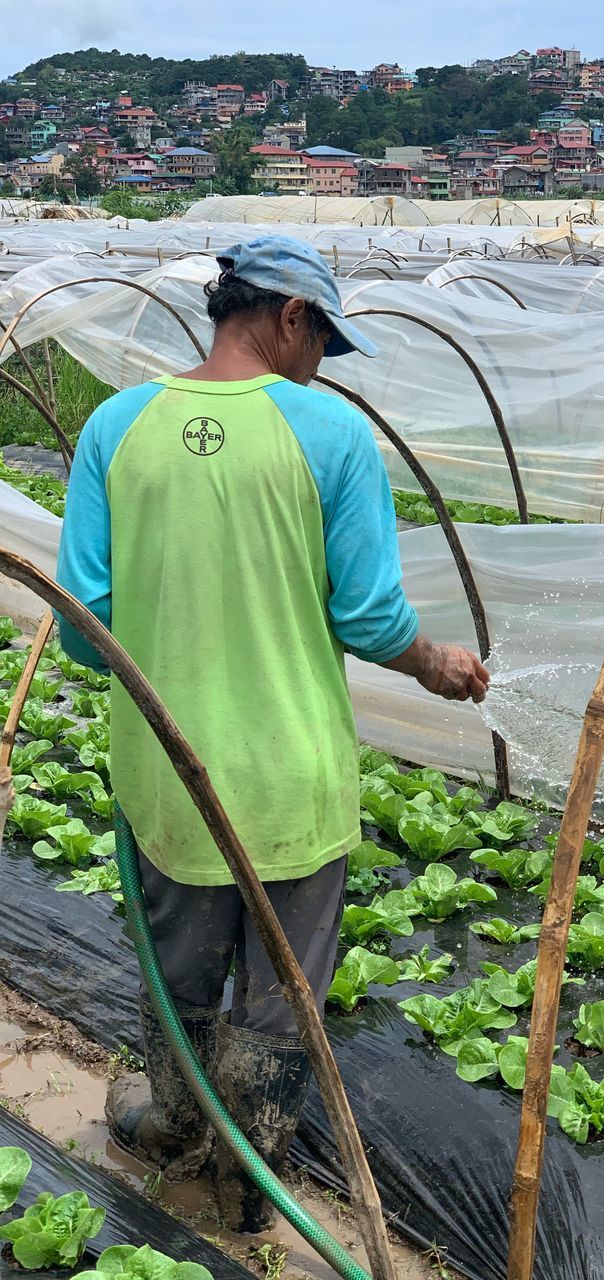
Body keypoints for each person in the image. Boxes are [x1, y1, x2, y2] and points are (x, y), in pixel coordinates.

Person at [55, 234, 490, 1232]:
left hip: (168, 773)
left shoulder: (115, 426)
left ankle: (175, 1122)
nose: (322, 363)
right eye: (323, 341)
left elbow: (86, 628)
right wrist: (438, 663)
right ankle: (254, 1180)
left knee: (182, 970)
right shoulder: (329, 435)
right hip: (292, 773)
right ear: (290, 316)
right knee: (283, 987)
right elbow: (373, 617)